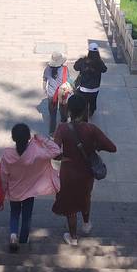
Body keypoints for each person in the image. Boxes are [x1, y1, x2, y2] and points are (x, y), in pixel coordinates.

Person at [52, 94, 117, 246]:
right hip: (86, 172)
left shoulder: (62, 128)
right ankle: (86, 224)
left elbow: (54, 152)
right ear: (85, 110)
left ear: (69, 110)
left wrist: (63, 157)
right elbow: (112, 147)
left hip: (68, 172)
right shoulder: (91, 129)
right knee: (85, 196)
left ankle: (73, 237)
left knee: (70, 206)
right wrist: (94, 147)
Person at [0, 124, 61, 251]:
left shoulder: (7, 154)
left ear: (13, 138)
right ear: (28, 137)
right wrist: (42, 139)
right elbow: (56, 151)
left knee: (14, 214)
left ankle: (13, 235)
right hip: (30, 191)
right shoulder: (36, 152)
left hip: (14, 191)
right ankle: (23, 239)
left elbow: (3, 175)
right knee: (26, 216)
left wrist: (3, 191)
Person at [73, 42, 107, 118]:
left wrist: (80, 61)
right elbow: (104, 70)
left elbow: (75, 67)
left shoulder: (83, 61)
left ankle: (83, 114)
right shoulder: (99, 63)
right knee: (93, 100)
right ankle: (91, 112)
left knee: (83, 101)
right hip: (95, 88)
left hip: (83, 88)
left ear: (89, 51)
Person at [43, 52, 73, 135]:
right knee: (63, 112)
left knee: (53, 115)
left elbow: (44, 79)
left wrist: (45, 89)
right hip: (62, 93)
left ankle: (52, 132)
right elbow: (68, 80)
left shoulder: (47, 69)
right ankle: (64, 129)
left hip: (51, 94)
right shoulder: (65, 69)